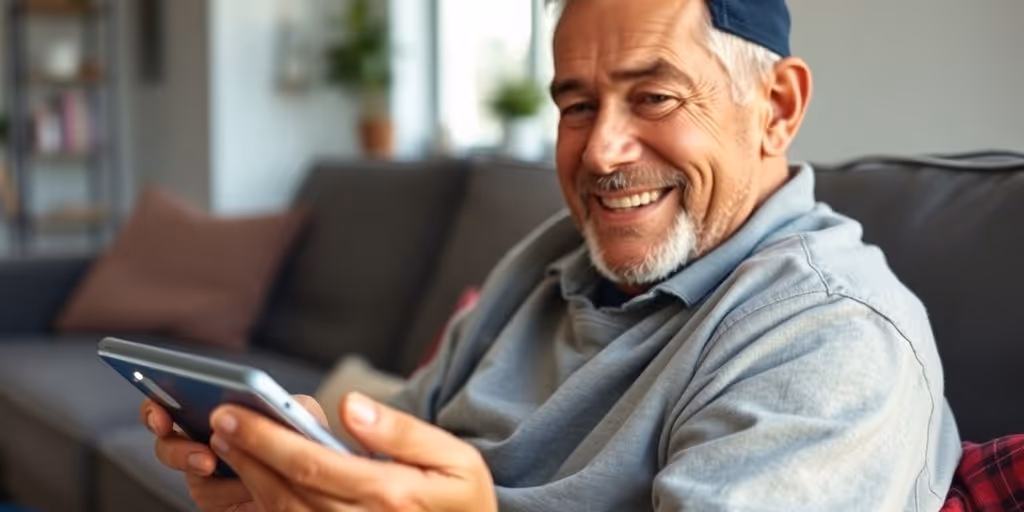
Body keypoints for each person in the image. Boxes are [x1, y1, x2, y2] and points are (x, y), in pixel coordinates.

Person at [141, 0, 962, 509]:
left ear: (776, 108)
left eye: (654, 97)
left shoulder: (835, 341)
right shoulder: (554, 259)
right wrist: (301, 475)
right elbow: (400, 450)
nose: (601, 151)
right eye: (577, 104)